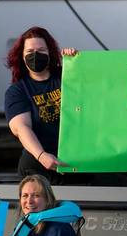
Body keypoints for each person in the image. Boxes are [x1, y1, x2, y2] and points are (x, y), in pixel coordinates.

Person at [5, 27, 81, 185]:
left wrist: (75, 61)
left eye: (41, 50)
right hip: (39, 166)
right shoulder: (17, 91)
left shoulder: (66, 76)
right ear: (21, 56)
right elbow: (22, 128)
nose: (35, 55)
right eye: (30, 51)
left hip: (76, 161)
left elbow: (90, 84)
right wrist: (41, 155)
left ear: (50, 53)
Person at [10, 174, 81, 236]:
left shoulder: (57, 228)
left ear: (48, 200)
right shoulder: (25, 230)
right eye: (25, 196)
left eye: (36, 195)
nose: (29, 201)